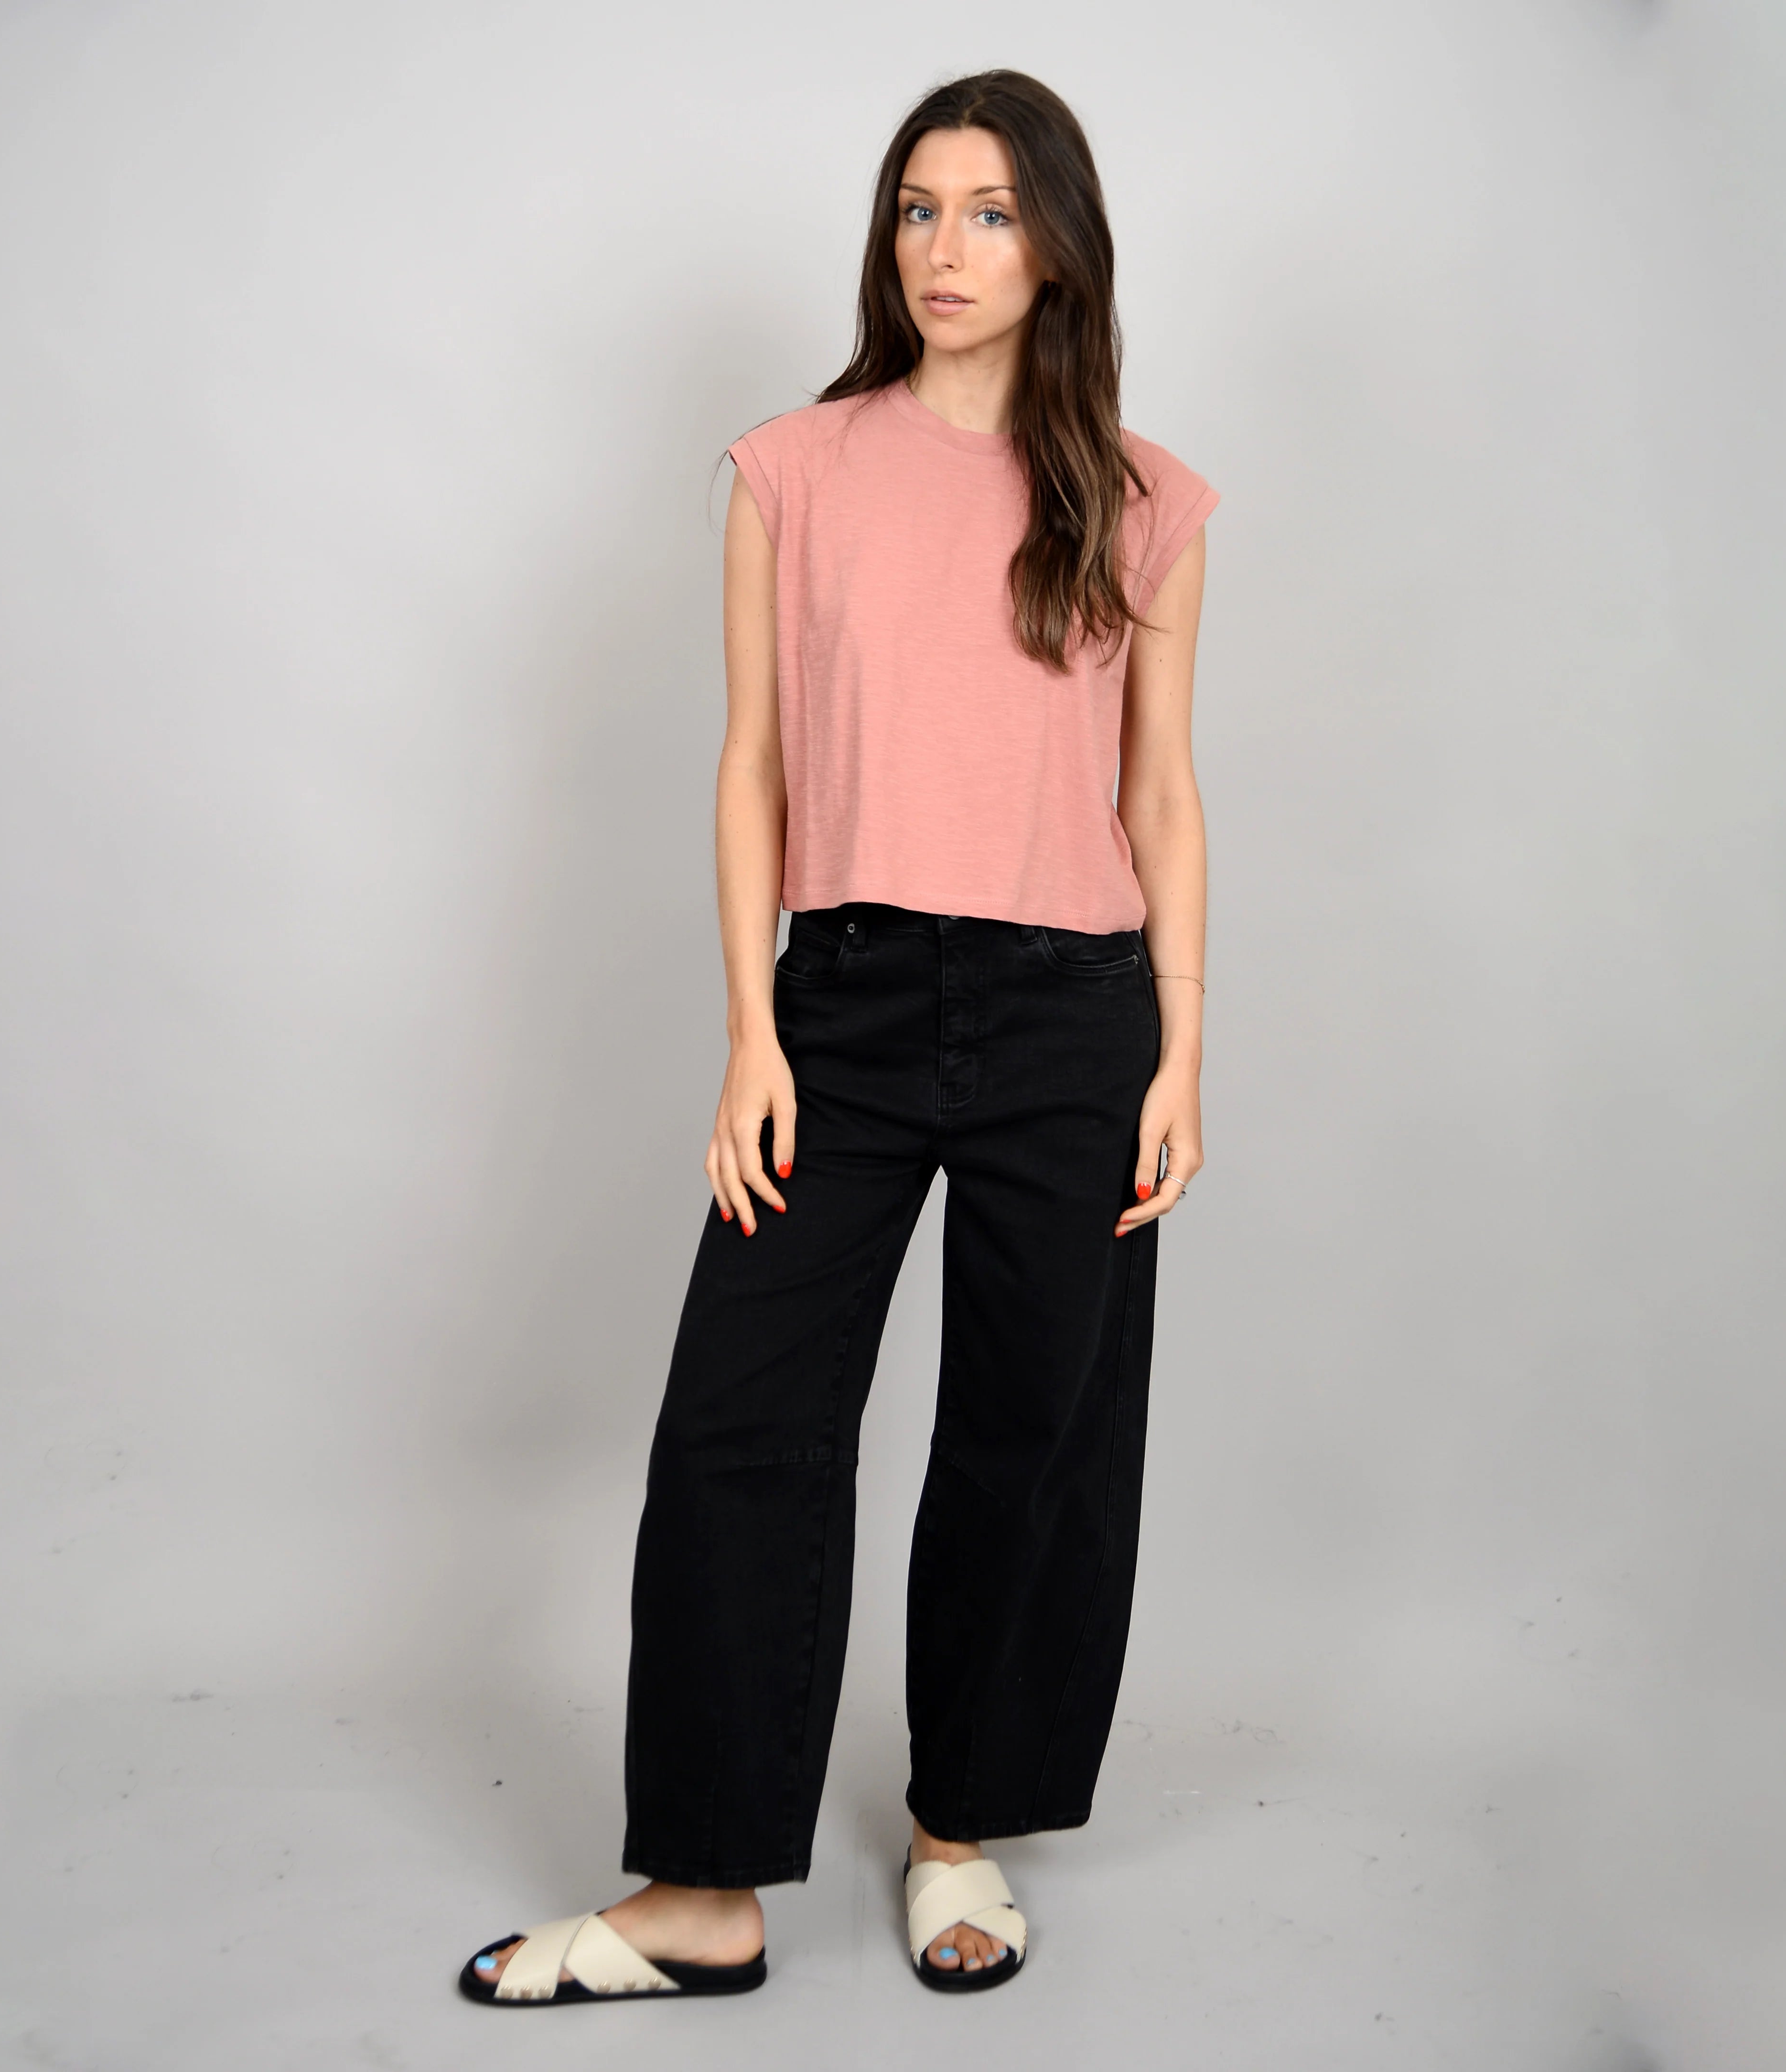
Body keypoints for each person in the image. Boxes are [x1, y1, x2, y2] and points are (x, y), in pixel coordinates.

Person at [460, 66, 1216, 2008]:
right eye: (916, 209)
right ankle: (702, 1887)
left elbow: (1158, 793)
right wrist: (752, 1031)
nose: (945, 249)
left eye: (989, 212)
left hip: (1075, 1010)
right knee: (742, 1423)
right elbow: (754, 766)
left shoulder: (1143, 501)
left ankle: (961, 1827)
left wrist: (1181, 1054)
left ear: (1058, 248)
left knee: (1034, 1433)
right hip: (850, 1002)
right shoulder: (791, 470)